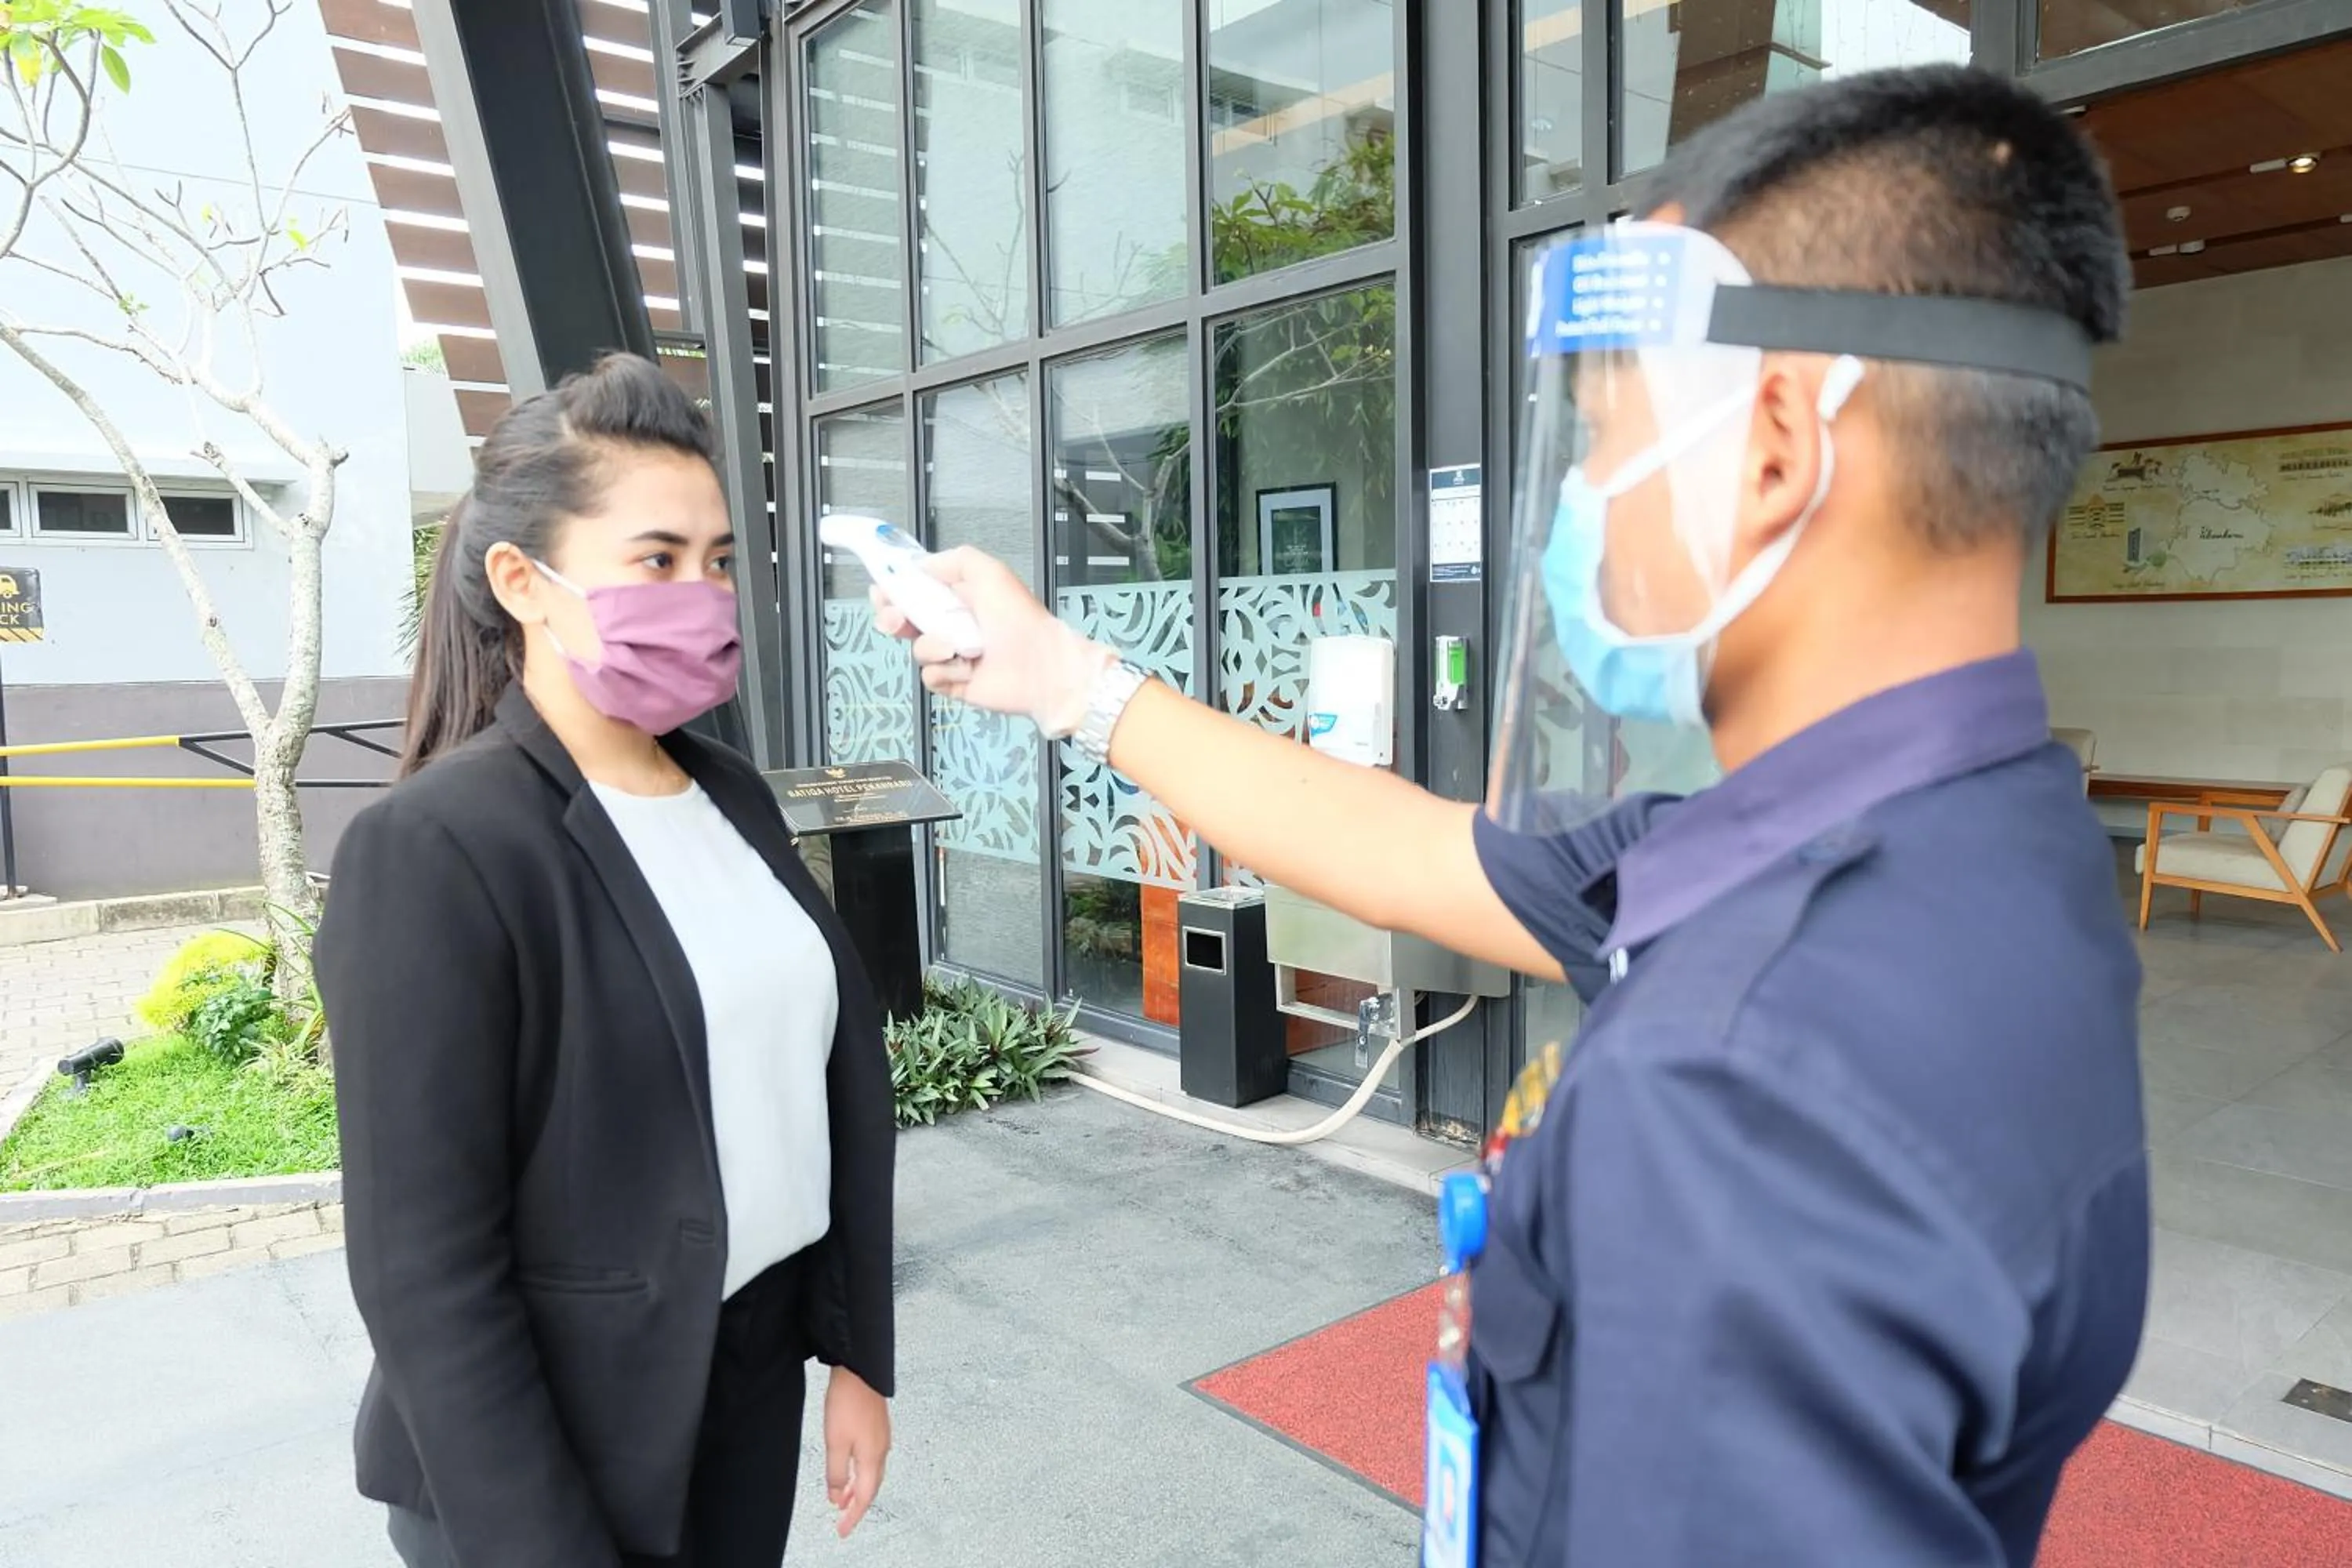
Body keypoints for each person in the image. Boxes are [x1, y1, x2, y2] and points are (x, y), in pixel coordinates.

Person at [878, 66, 2146, 1566]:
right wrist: (1070, 685)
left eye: (1612, 440)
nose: (1587, 498)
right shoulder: (1964, 844)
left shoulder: (1744, 1084)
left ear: (1776, 446)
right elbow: (1423, 853)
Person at [313, 354, 895, 1568]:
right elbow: (425, 1272)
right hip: (535, 1445)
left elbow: (816, 1093)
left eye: (719, 559)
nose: (703, 592)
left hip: (741, 1383)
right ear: (523, 583)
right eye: (657, 559)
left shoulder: (732, 792)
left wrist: (854, 1355)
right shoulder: (435, 850)